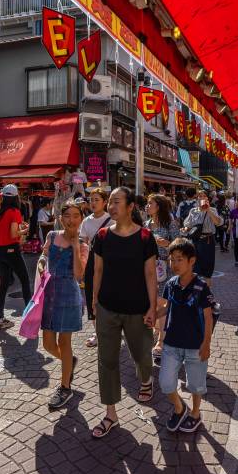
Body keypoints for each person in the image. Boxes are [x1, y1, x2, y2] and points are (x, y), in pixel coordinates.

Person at [90, 187, 158, 438]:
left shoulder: (145, 238)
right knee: (106, 360)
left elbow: (151, 275)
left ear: (130, 207)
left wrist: (152, 306)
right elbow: (97, 271)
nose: (111, 206)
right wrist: (95, 302)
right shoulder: (103, 236)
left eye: (117, 202)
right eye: (109, 202)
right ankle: (111, 414)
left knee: (141, 355)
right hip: (107, 308)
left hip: (138, 310)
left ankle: (146, 379)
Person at [157, 238, 213, 433]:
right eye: (172, 260)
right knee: (165, 382)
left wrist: (206, 344)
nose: (174, 264)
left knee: (196, 386)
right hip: (172, 343)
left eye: (179, 259)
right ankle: (179, 408)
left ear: (192, 261)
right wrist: (152, 316)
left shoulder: (201, 287)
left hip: (195, 346)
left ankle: (195, 414)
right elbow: (165, 307)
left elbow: (208, 318)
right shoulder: (170, 284)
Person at [38, 200, 89, 409]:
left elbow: (79, 274)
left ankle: (65, 386)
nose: (71, 220)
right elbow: (43, 255)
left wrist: (76, 244)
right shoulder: (51, 236)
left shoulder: (84, 245)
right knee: (48, 344)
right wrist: (41, 264)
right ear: (61, 218)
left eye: (76, 216)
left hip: (68, 295)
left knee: (64, 342)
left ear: (81, 219)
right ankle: (69, 362)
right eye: (67, 215)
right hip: (48, 294)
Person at [0, 184, 32, 331]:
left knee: (3, 285)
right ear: (15, 197)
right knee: (25, 281)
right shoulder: (14, 212)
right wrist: (26, 230)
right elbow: (14, 234)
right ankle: (28, 317)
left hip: (0, 252)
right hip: (12, 250)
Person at [145, 193, 180, 361]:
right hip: (148, 268)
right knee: (152, 301)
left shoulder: (170, 223)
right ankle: (159, 330)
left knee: (162, 301)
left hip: (165, 267)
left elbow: (179, 244)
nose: (147, 206)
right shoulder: (146, 224)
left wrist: (166, 243)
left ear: (158, 206)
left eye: (150, 203)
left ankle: (161, 340)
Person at [79, 188, 111, 348]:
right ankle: (97, 332)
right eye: (91, 199)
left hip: (110, 261)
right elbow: (83, 242)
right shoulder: (86, 221)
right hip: (91, 260)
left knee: (109, 293)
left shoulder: (112, 220)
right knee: (91, 293)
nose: (93, 202)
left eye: (97, 199)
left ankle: (112, 328)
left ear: (105, 202)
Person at [182, 191, 222, 285]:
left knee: (207, 270)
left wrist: (208, 210)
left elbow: (218, 222)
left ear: (207, 199)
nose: (202, 198)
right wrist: (185, 229)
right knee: (194, 267)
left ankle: (207, 295)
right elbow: (188, 225)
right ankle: (196, 293)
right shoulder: (193, 211)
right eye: (200, 196)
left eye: (204, 196)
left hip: (208, 240)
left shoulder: (212, 210)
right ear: (197, 198)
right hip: (195, 241)